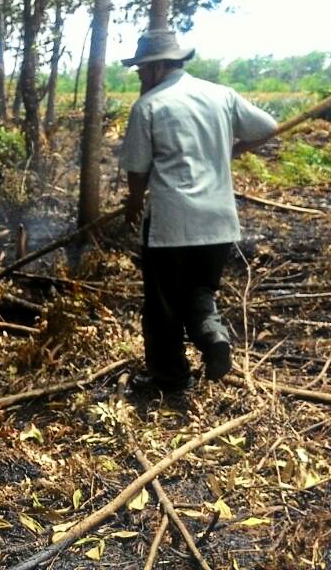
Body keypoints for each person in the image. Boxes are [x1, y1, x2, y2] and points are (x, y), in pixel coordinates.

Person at [118, 30, 277, 393]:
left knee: (162, 305)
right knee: (198, 291)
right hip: (220, 222)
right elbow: (268, 127)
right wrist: (230, 150)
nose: (140, 77)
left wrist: (133, 202)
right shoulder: (222, 95)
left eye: (142, 70)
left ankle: (171, 379)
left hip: (171, 224)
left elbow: (138, 170)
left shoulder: (149, 106)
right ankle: (212, 336)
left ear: (158, 67)